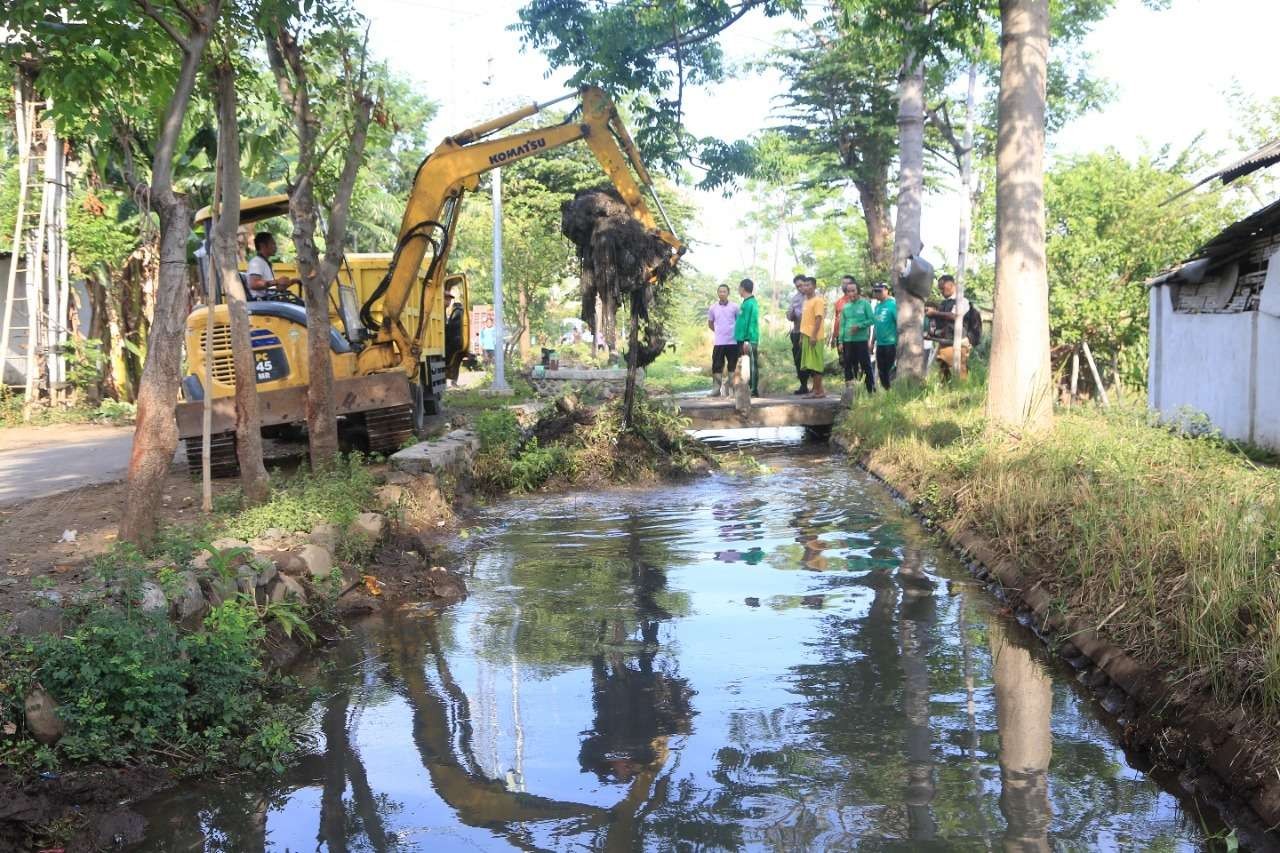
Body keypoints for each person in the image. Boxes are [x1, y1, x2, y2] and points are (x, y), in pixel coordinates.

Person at [925, 274, 972, 380]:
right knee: (943, 373)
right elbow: (938, 321)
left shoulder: (962, 301)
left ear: (951, 284)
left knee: (959, 373)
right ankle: (944, 394)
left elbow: (955, 316)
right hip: (944, 342)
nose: (941, 291)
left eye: (942, 288)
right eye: (940, 289)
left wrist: (935, 313)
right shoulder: (943, 303)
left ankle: (961, 393)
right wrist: (932, 332)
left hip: (957, 343)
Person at [838, 282, 875, 394]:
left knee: (865, 365)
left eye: (853, 290)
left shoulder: (865, 304)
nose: (851, 293)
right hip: (848, 341)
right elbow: (842, 325)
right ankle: (849, 392)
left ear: (858, 291)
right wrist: (840, 341)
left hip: (861, 340)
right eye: (848, 291)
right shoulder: (846, 307)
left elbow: (872, 320)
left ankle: (870, 391)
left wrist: (859, 326)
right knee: (848, 365)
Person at [706, 284, 740, 396]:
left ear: (728, 293)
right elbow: (710, 323)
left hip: (733, 342)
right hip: (719, 342)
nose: (722, 293)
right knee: (716, 365)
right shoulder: (713, 308)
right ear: (717, 293)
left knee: (733, 365)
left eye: (724, 291)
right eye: (720, 291)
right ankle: (716, 390)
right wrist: (719, 332)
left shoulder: (735, 307)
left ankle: (734, 390)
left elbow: (739, 322)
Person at [246, 232, 299, 299]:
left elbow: (272, 289)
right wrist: (277, 281)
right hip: (263, 303)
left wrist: (291, 282)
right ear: (263, 245)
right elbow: (253, 284)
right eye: (273, 243)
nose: (275, 246)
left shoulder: (264, 262)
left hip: (270, 300)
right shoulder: (256, 262)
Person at [798, 276, 827, 398]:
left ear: (814, 286)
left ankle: (818, 392)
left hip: (815, 337)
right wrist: (801, 337)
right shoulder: (805, 301)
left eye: (809, 285)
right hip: (805, 336)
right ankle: (816, 389)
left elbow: (818, 318)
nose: (806, 287)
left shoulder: (818, 301)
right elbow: (805, 320)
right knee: (810, 365)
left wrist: (813, 336)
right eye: (804, 285)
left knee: (816, 364)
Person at [734, 278, 760, 398]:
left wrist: (747, 340)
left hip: (749, 340)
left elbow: (752, 322)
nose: (738, 290)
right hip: (741, 338)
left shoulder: (751, 303)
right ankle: (746, 388)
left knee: (752, 364)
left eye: (739, 287)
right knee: (744, 365)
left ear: (743, 288)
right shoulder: (745, 302)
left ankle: (754, 390)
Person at [871, 282, 897, 390]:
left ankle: (892, 391)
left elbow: (899, 323)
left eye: (879, 291)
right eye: (875, 291)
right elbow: (876, 326)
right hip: (880, 343)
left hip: (891, 343)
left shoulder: (893, 304)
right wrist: (872, 341)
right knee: (881, 370)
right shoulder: (877, 306)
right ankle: (887, 391)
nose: (877, 293)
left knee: (889, 369)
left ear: (886, 290)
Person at [785, 274, 808, 395]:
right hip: (796, 332)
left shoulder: (813, 296)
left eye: (801, 285)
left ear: (806, 283)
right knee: (798, 360)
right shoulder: (794, 298)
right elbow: (789, 316)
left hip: (809, 333)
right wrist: (791, 314)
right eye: (797, 286)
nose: (800, 288)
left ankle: (816, 386)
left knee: (809, 360)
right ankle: (803, 385)